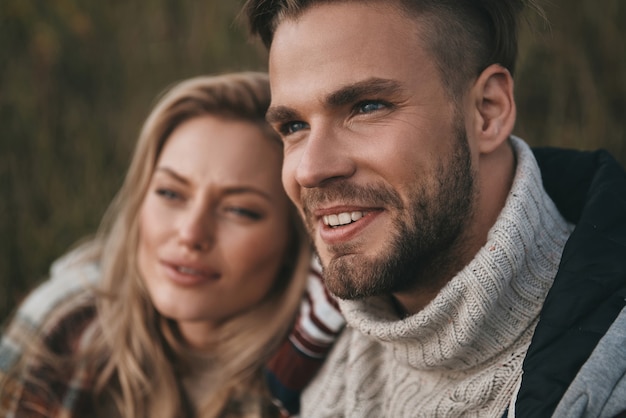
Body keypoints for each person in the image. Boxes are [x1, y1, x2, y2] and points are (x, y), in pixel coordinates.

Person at [243, 1, 626, 417]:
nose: (311, 169)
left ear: (487, 111)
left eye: (367, 107)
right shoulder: (304, 335)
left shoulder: (605, 386)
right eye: (294, 127)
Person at [0, 71, 329, 418]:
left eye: (239, 210)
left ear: (297, 238)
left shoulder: (332, 373)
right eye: (170, 193)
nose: (190, 233)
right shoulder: (66, 324)